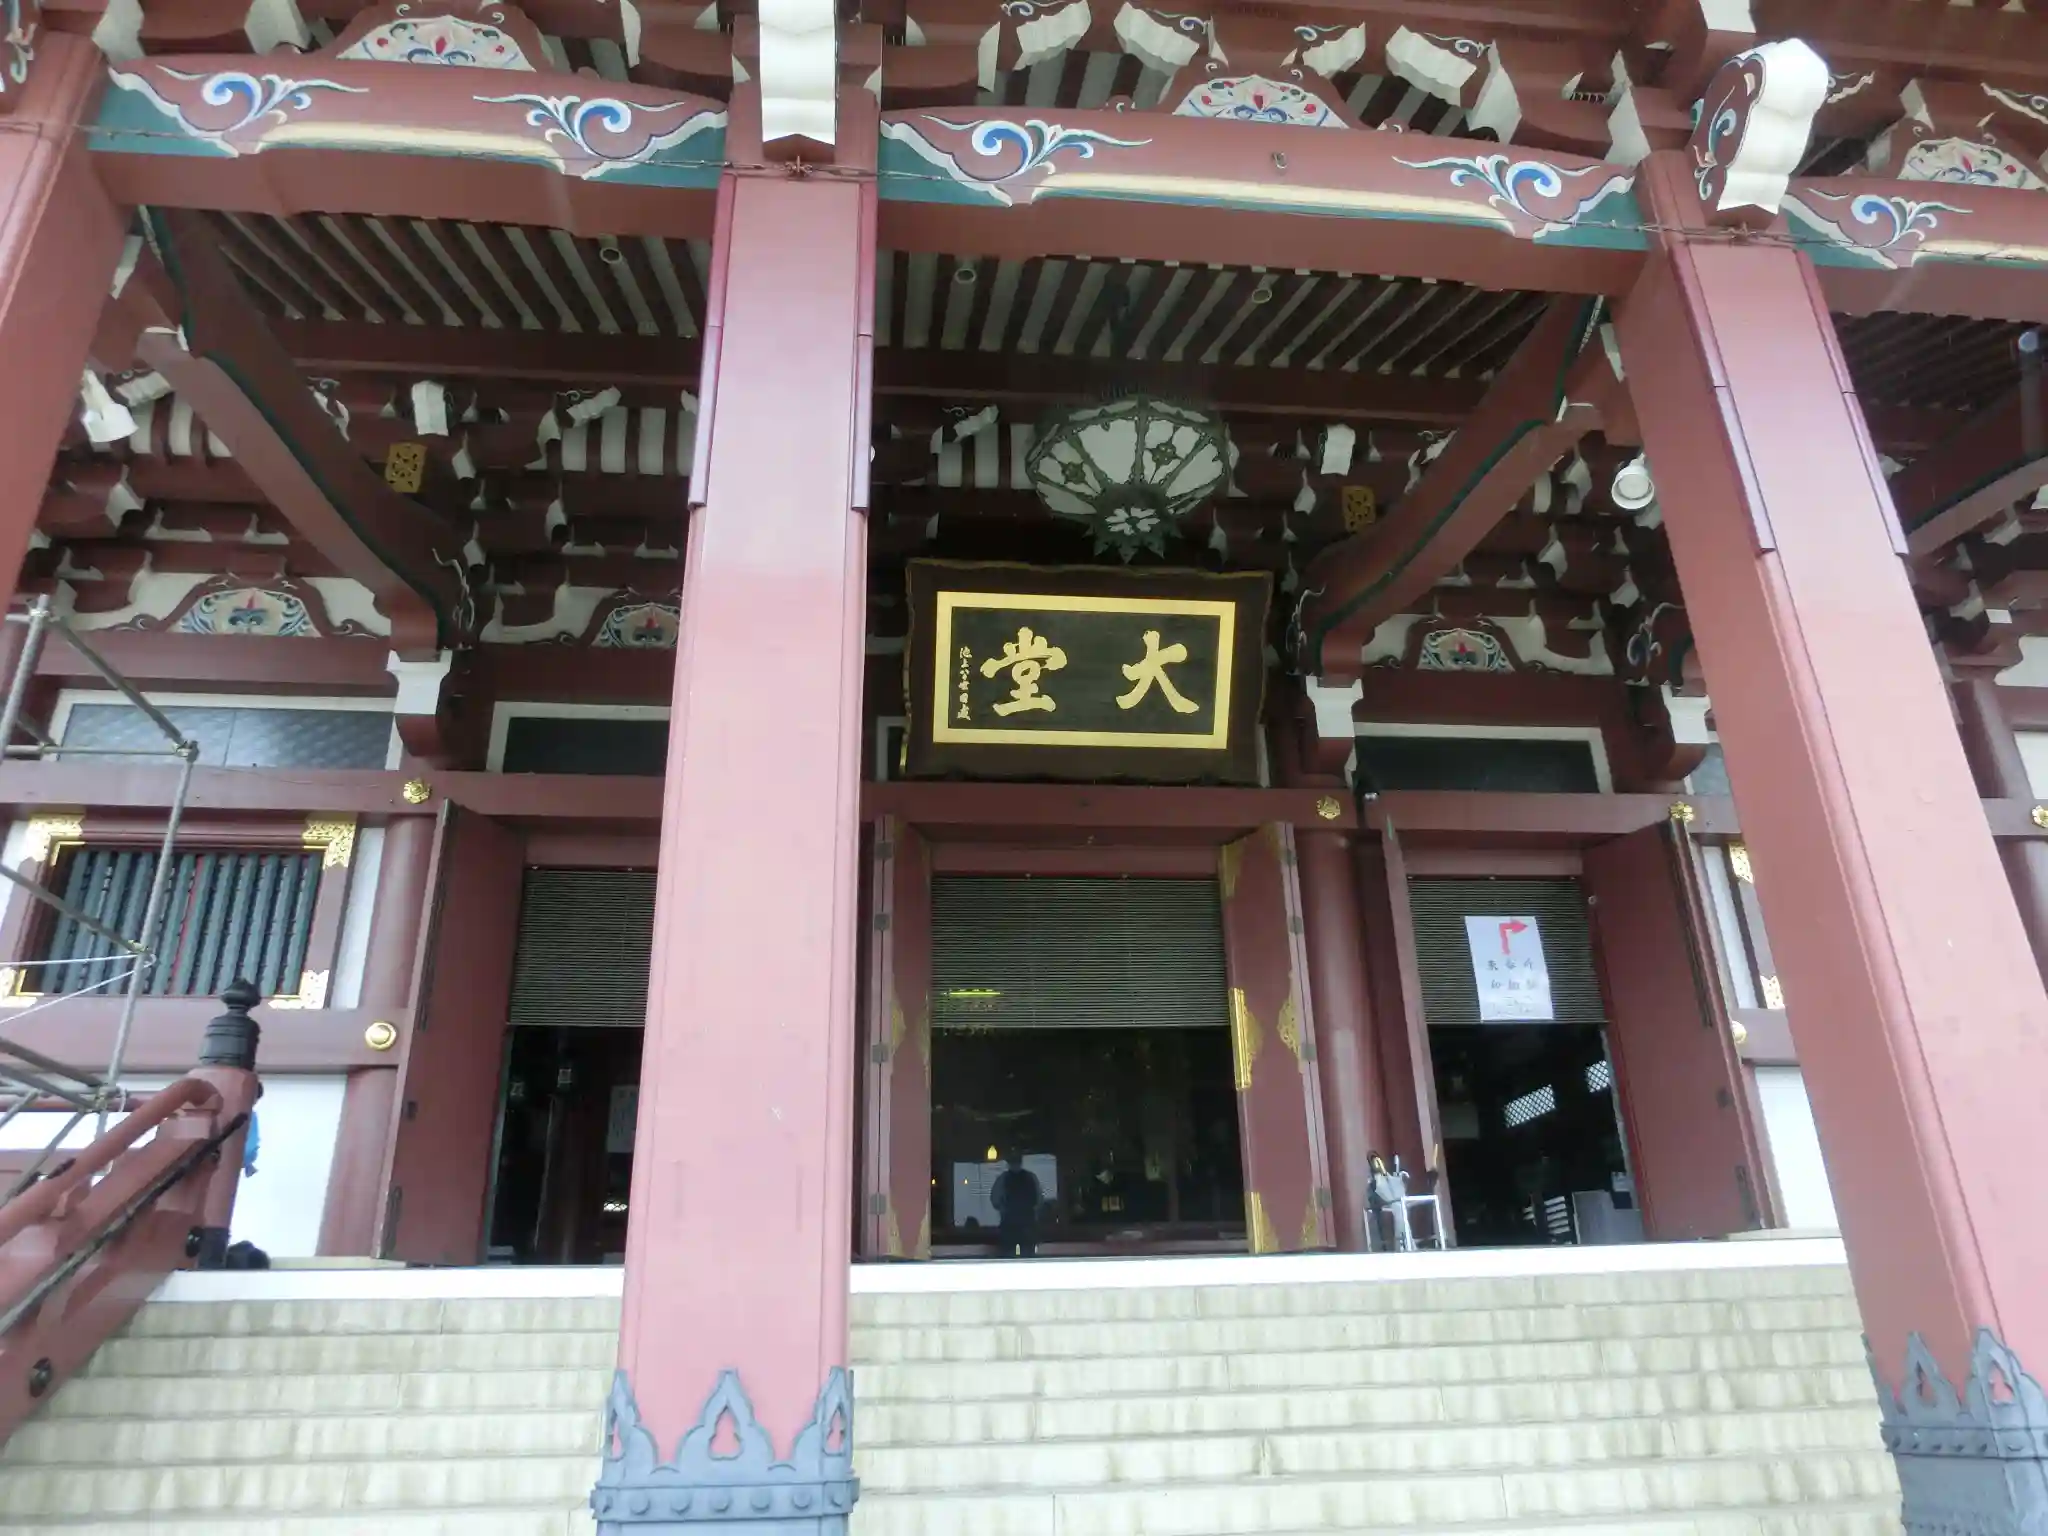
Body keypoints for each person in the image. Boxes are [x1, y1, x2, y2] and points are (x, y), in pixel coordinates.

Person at [990, 1152, 1043, 1259]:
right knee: (1027, 1256)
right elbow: (1039, 1200)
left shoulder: (1003, 1178)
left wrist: (1004, 1209)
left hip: (1012, 1224)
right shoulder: (1030, 1177)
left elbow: (995, 1200)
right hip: (1024, 1224)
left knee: (1009, 1256)